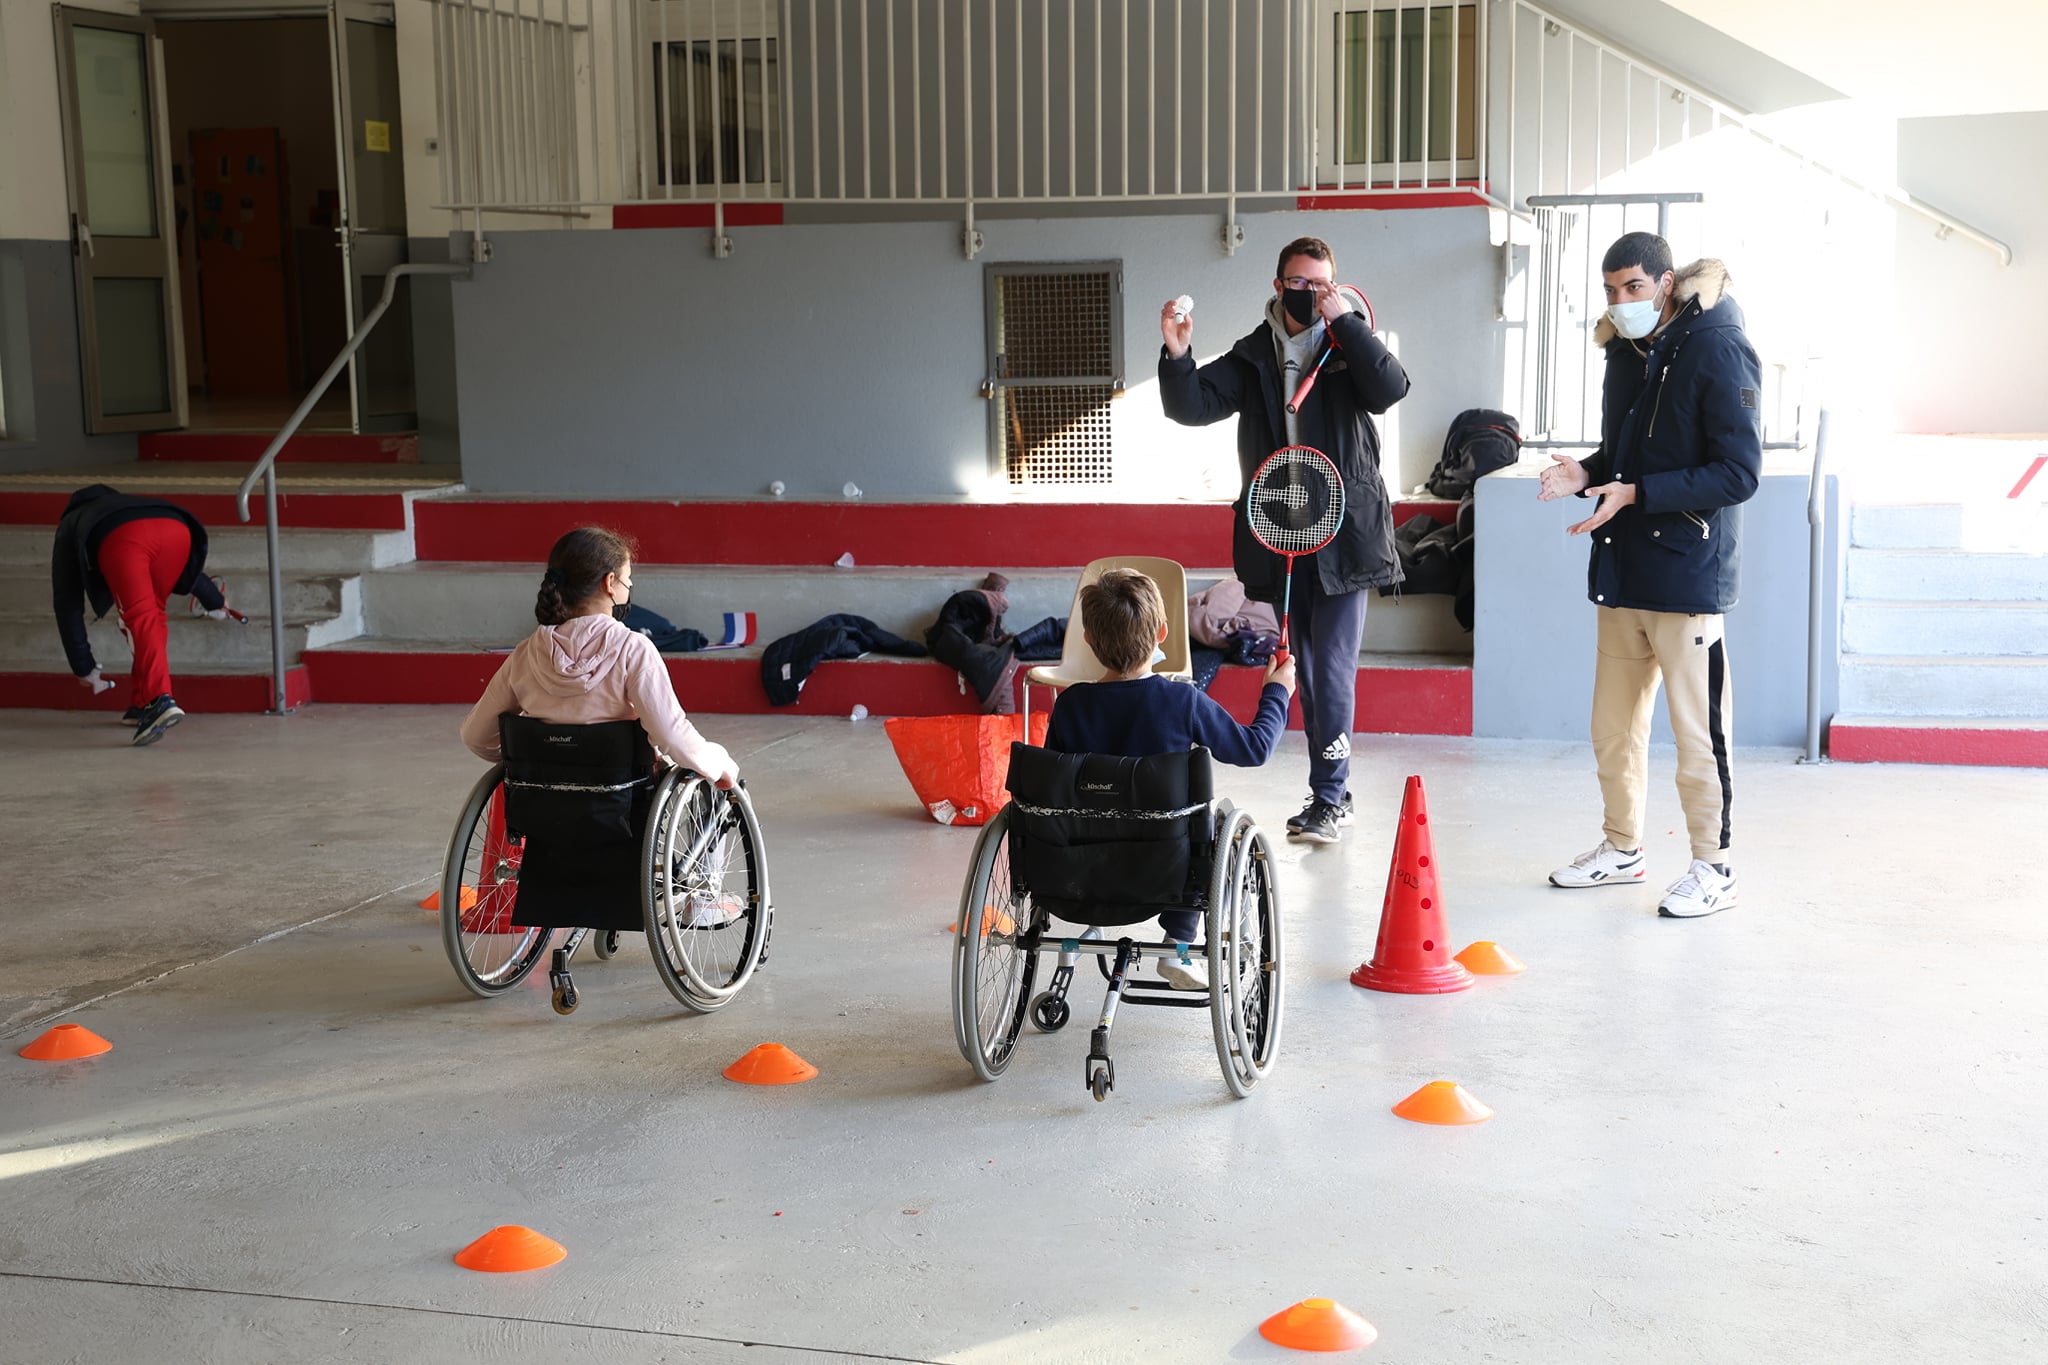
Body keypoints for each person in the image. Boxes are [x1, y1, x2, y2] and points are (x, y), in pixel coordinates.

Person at [1537, 232, 1761, 918]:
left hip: (1687, 577)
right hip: (1623, 570)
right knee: (1613, 729)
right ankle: (1621, 848)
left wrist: (1636, 492)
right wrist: (1589, 472)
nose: (1620, 301)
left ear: (1666, 282)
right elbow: (1626, 454)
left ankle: (1714, 867)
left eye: (1632, 287)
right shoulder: (1627, 352)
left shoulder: (1718, 346)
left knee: (1699, 736)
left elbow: (1738, 472)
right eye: (1610, 290)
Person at [1159, 235, 1411, 845]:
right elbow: (1190, 406)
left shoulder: (1346, 346)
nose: (1310, 293)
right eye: (1299, 283)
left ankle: (1329, 796)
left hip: (1345, 535)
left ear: (1335, 284)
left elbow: (1391, 388)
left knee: (1331, 670)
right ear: (1278, 286)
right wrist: (1177, 352)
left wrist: (1343, 324)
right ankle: (1332, 791)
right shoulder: (1253, 356)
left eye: (1321, 283)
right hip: (1281, 534)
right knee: (1299, 663)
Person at [1044, 567, 1296, 990]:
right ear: (1162, 633)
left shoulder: (1070, 706)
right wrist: (1277, 691)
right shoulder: (1183, 701)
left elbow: (1055, 787)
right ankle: (1179, 942)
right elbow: (1253, 749)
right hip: (1168, 869)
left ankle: (1090, 918)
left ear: (1088, 639)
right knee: (1213, 828)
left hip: (1083, 869)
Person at [460, 527, 739, 789]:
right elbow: (671, 735)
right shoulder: (633, 649)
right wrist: (719, 765)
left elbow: (475, 736)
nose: (628, 587)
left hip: (540, 805)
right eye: (627, 580)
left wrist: (527, 760)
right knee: (714, 757)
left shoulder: (525, 653)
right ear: (610, 583)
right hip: (620, 804)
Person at [52, 484, 236, 746]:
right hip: (178, 528)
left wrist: (83, 666)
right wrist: (215, 601)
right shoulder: (128, 504)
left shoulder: (71, 522)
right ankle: (141, 702)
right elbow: (161, 540)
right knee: (152, 616)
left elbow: (66, 601)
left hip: (125, 539)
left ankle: (159, 700)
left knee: (139, 617)